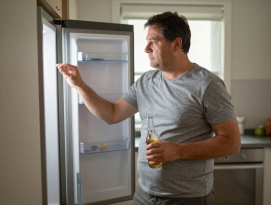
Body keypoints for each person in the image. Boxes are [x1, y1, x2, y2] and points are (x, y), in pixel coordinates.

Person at [57, 11, 241, 205]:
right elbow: (111, 114)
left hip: (187, 198)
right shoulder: (146, 81)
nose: (146, 48)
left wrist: (178, 151)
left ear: (177, 44)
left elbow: (232, 142)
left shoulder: (207, 85)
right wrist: (79, 85)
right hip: (144, 193)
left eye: (153, 41)